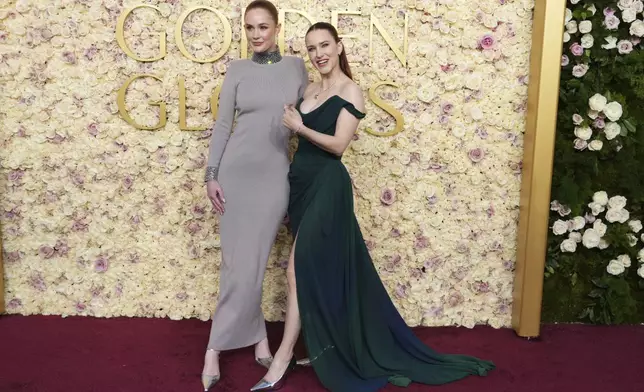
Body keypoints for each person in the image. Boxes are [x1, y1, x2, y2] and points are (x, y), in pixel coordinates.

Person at [249, 22, 495, 392]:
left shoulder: (352, 91)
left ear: (339, 45)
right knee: (315, 271)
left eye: (325, 45)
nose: (319, 54)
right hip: (301, 187)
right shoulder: (311, 88)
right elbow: (293, 131)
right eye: (312, 48)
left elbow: (337, 145)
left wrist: (299, 127)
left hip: (328, 187)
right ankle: (320, 346)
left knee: (296, 272)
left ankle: (282, 357)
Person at [201, 0, 309, 390]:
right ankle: (220, 346)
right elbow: (223, 124)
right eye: (250, 28)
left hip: (274, 177)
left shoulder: (298, 68)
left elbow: (310, 115)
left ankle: (249, 338)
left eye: (263, 26)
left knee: (257, 262)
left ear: (277, 28)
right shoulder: (237, 70)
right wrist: (211, 175)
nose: (256, 34)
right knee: (236, 263)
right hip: (235, 175)